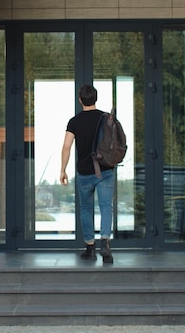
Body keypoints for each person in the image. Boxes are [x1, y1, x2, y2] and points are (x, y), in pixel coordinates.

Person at [60, 84, 115, 264]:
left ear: (80, 99)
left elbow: (66, 147)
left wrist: (63, 169)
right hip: (105, 170)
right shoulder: (106, 118)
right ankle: (105, 241)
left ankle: (90, 247)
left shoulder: (74, 122)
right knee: (106, 206)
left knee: (86, 208)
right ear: (96, 99)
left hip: (84, 173)